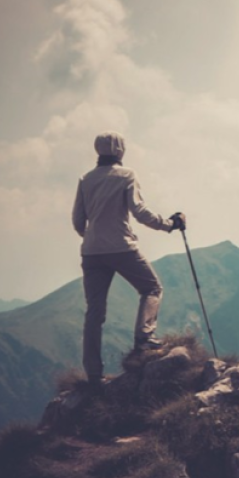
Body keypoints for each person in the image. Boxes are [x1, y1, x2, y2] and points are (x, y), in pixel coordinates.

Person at [72, 131, 185, 387]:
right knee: (152, 288)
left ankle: (93, 375)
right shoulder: (127, 175)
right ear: (121, 151)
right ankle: (144, 339)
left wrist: (91, 237)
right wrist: (169, 224)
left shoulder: (85, 179)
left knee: (95, 313)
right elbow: (140, 212)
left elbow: (78, 220)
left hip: (91, 252)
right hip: (121, 247)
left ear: (97, 151)